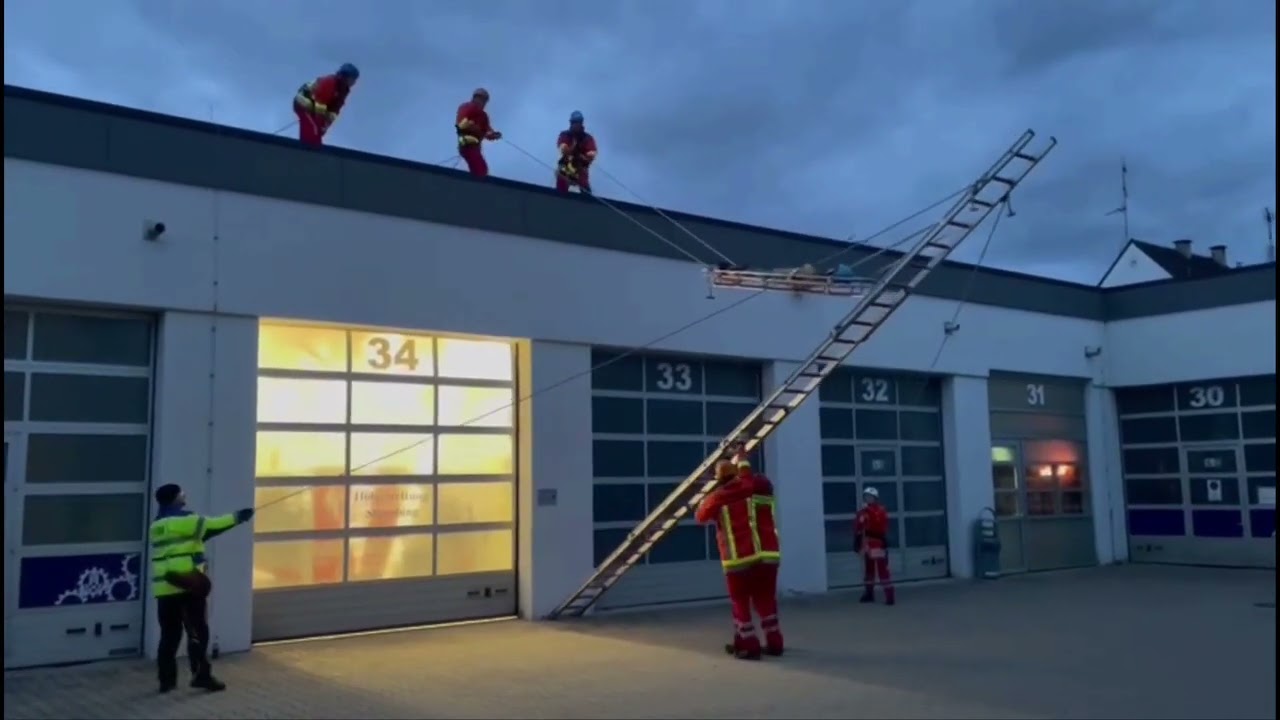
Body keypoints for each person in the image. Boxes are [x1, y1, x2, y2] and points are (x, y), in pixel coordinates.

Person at [150, 483, 255, 693]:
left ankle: (166, 681)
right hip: (188, 585)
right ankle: (201, 676)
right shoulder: (188, 520)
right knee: (198, 633)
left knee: (169, 635)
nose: (185, 496)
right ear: (174, 498)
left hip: (165, 588)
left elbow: (201, 535)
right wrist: (239, 516)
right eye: (182, 493)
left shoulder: (157, 525)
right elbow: (215, 524)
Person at [695, 457, 784, 660]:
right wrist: (742, 456)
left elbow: (700, 517)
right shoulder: (756, 488)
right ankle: (775, 642)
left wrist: (703, 499)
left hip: (738, 560)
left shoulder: (719, 497)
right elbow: (748, 478)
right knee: (766, 601)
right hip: (767, 556)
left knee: (740, 604)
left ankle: (748, 646)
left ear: (719, 479)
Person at [293, 63, 360, 146]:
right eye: (353, 79)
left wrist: (325, 126)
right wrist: (319, 123)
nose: (354, 82)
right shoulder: (330, 82)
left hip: (317, 107)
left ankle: (313, 146)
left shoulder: (343, 91)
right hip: (303, 103)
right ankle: (306, 148)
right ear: (345, 76)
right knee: (313, 128)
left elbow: (334, 110)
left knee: (317, 131)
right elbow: (320, 103)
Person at [854, 486, 895, 605]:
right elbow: (858, 526)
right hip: (866, 544)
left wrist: (867, 511)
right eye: (866, 496)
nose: (867, 498)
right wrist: (857, 540)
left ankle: (890, 596)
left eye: (870, 497)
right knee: (869, 570)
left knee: (882, 570)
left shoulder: (880, 510)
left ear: (875, 498)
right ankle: (869, 594)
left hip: (877, 543)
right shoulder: (863, 511)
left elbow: (879, 523)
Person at [456, 88, 502, 178]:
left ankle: (475, 182)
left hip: (475, 147)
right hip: (467, 143)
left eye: (485, 101)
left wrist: (493, 134)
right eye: (481, 99)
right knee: (480, 169)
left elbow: (487, 130)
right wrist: (478, 130)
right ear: (475, 98)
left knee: (480, 168)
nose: (483, 102)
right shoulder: (467, 107)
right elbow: (461, 123)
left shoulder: (483, 116)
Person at [555, 110, 598, 194]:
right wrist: (570, 149)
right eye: (574, 122)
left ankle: (586, 201)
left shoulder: (588, 138)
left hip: (580, 167)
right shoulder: (565, 135)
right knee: (561, 182)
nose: (576, 124)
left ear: (581, 123)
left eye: (578, 122)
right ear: (571, 123)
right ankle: (560, 198)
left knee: (585, 187)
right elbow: (562, 147)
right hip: (566, 165)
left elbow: (592, 153)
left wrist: (584, 157)